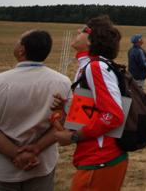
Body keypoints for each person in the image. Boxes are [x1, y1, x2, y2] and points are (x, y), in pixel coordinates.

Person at [0, 30, 71, 191]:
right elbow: (63, 120)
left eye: (18, 41)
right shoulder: (63, 82)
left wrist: (16, 154)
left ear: (21, 50)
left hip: (1, 170)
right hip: (41, 166)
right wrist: (37, 148)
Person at [53, 15, 128, 191]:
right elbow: (94, 109)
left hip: (100, 158)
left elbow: (113, 115)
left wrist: (74, 137)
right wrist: (68, 108)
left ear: (91, 40)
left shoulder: (96, 67)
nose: (78, 31)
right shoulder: (89, 66)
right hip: (95, 158)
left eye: (83, 30)